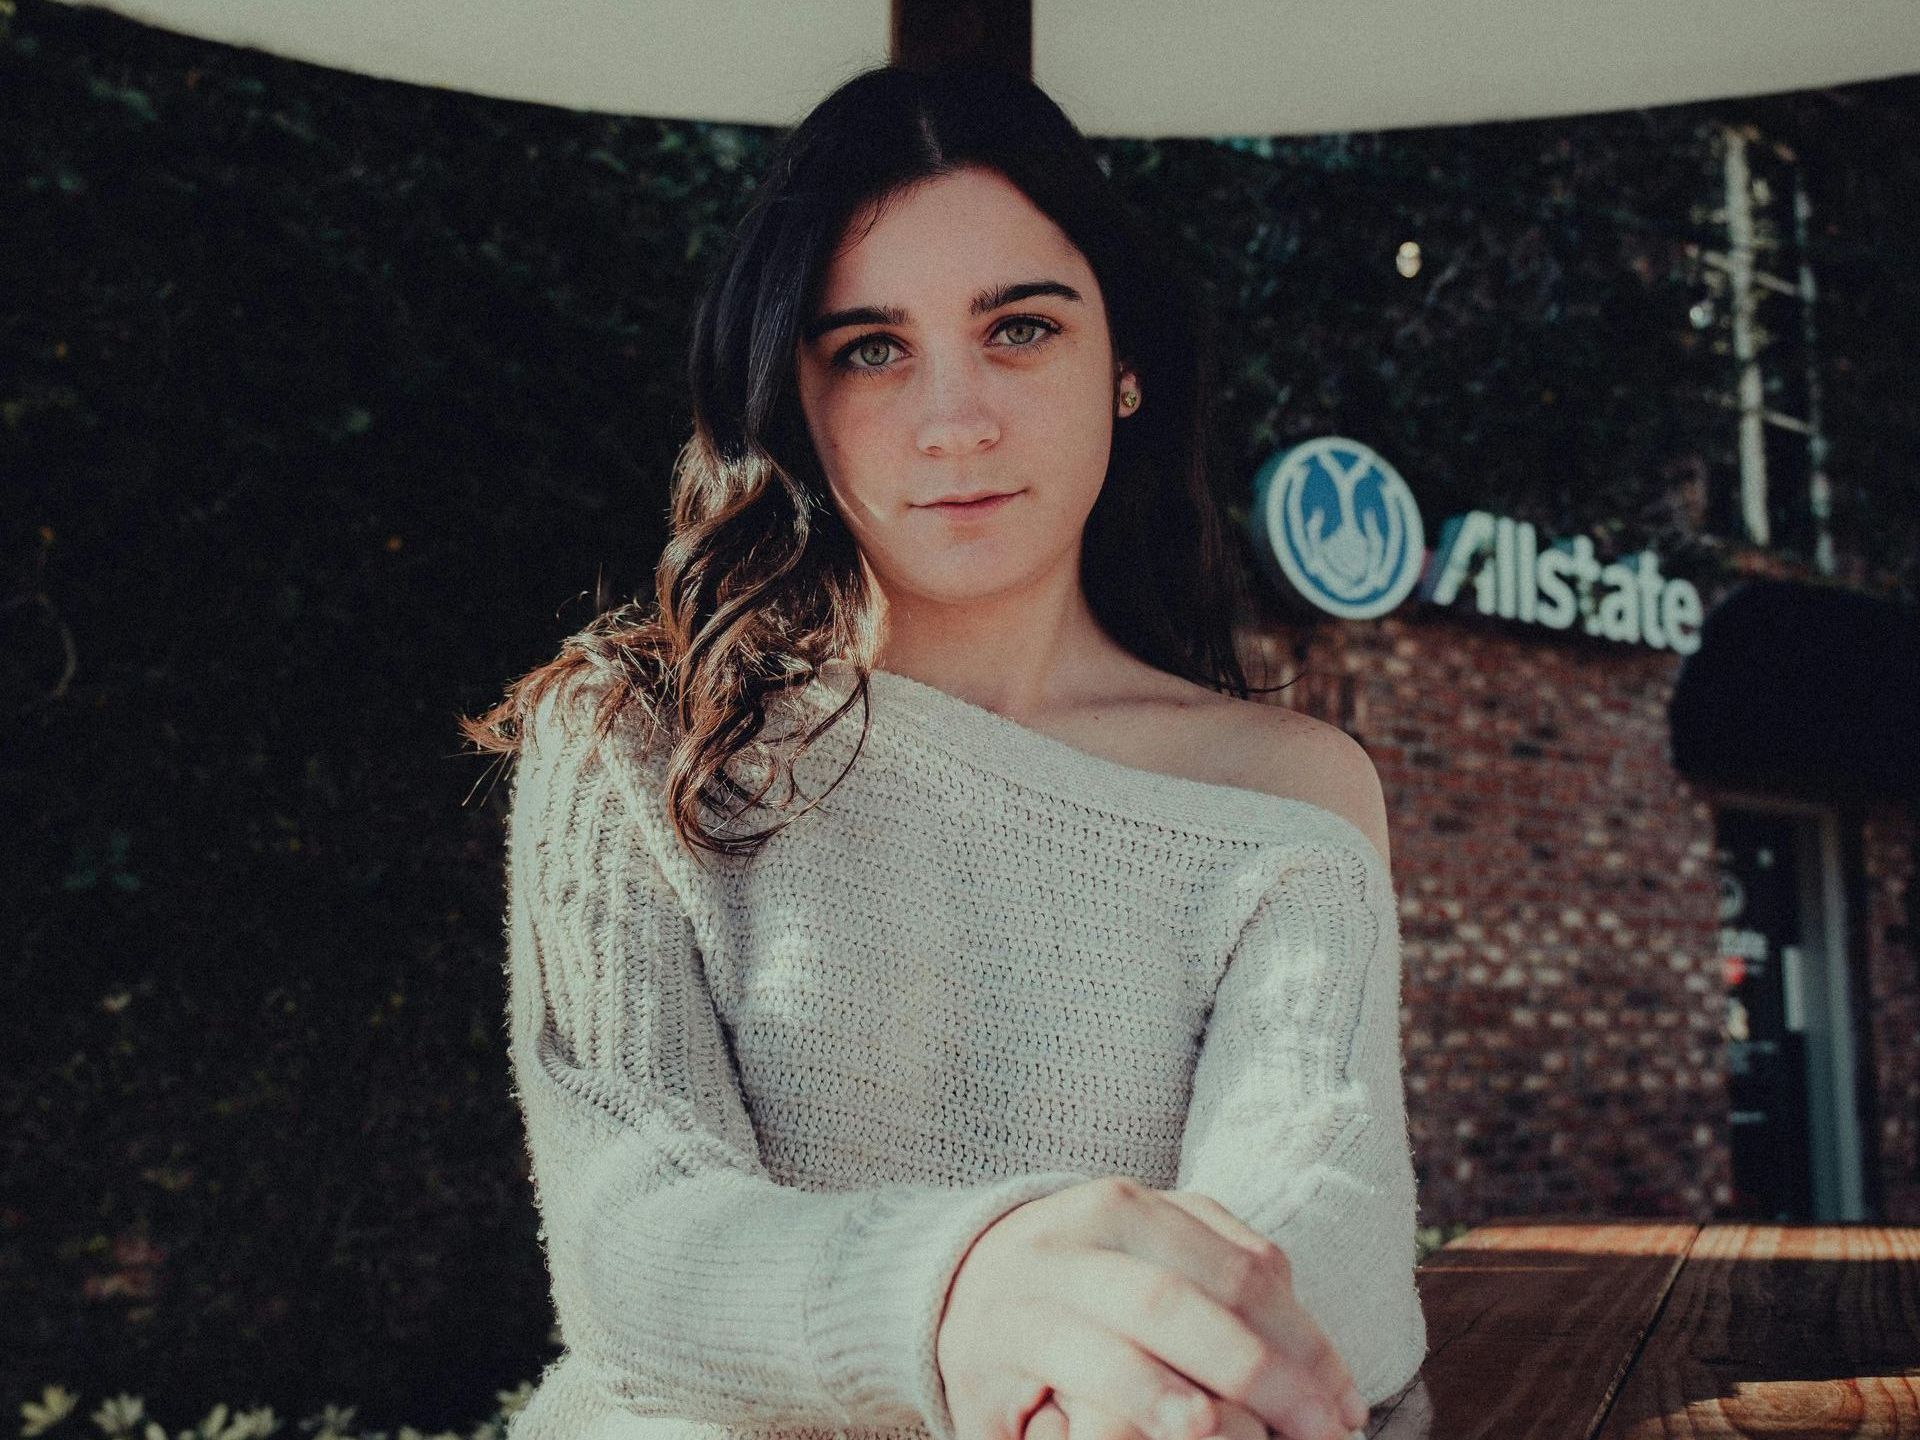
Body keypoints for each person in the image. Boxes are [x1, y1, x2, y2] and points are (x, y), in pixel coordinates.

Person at [460, 60, 1426, 1440]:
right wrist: (955, 1297)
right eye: (871, 348)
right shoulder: (631, 738)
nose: (954, 420)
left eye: (1021, 329)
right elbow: (633, 1240)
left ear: (1129, 364)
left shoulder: (1285, 795)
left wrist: (1138, 1389)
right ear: (793, 398)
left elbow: (1320, 1230)